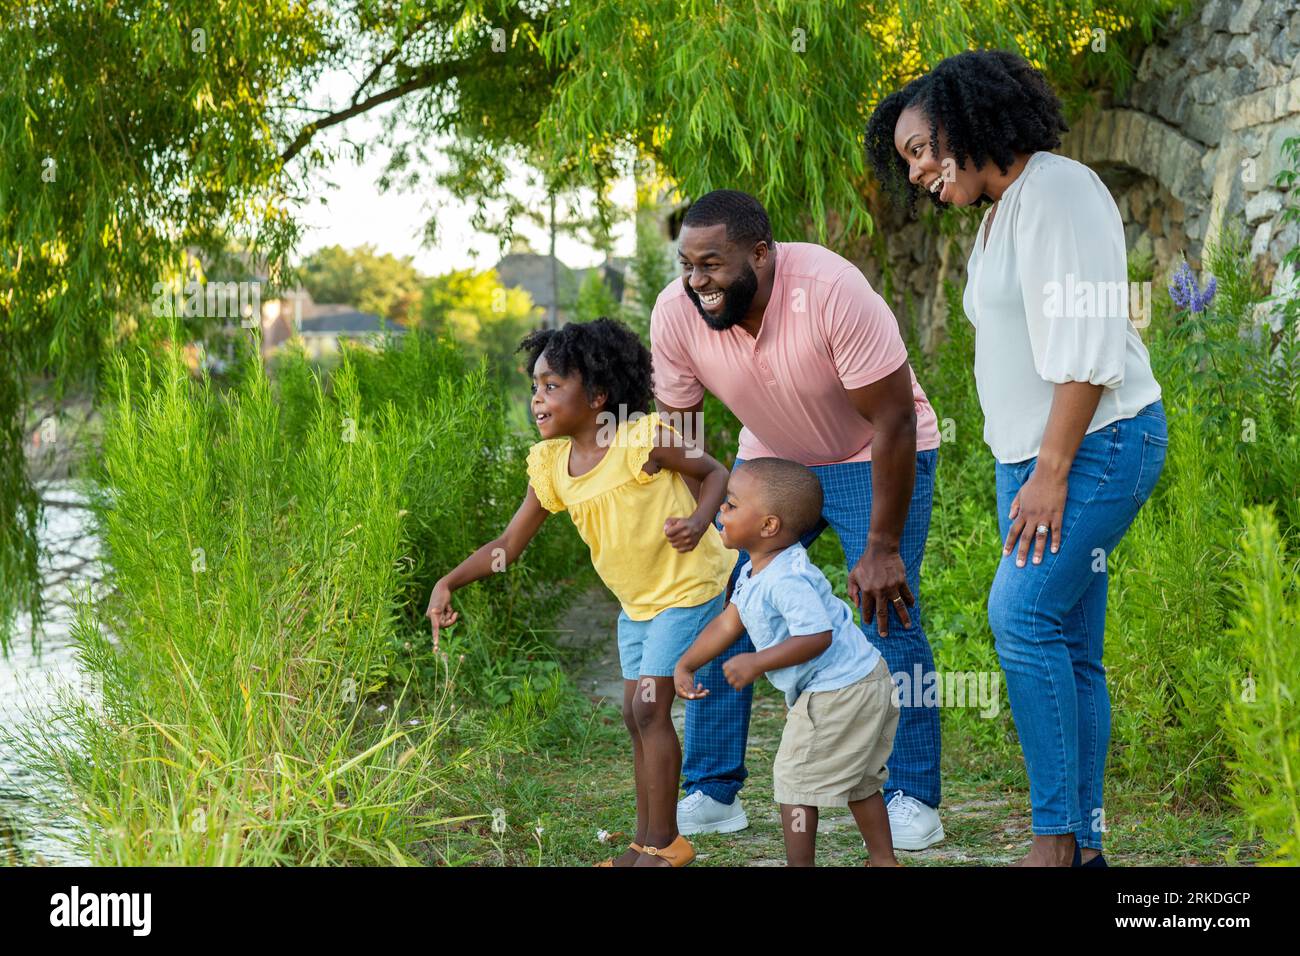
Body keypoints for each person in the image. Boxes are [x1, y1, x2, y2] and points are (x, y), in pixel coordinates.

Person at [866, 49, 1167, 867]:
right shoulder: (999, 212)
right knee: (1069, 648)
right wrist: (1026, 466)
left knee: (1020, 615)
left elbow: (1088, 350)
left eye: (924, 147)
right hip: (1033, 459)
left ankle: (1055, 839)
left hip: (1095, 446)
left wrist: (1051, 472)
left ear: (969, 119)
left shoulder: (1059, 192)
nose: (920, 172)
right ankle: (1088, 848)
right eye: (907, 162)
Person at [652, 189, 946, 851]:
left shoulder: (831, 289)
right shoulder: (677, 314)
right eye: (686, 264)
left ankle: (914, 796)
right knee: (734, 603)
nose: (697, 281)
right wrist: (699, 516)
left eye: (713, 264)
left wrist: (880, 546)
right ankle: (714, 790)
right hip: (775, 458)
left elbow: (895, 419)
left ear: (761, 253)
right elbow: (684, 433)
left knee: (885, 607)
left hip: (877, 450)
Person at [426, 317, 734, 867]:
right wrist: (448, 582)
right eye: (534, 388)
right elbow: (507, 544)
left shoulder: (642, 438)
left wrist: (698, 523)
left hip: (690, 586)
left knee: (649, 706)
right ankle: (645, 843)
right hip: (637, 604)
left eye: (551, 386)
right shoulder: (551, 466)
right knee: (633, 712)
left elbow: (715, 474)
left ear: (597, 395)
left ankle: (667, 846)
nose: (536, 401)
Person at [674, 457, 901, 867]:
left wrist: (757, 662)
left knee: (794, 783)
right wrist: (686, 663)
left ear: (768, 526)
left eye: (730, 505)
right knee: (862, 781)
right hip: (863, 678)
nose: (720, 513)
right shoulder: (757, 571)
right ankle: (883, 861)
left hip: (837, 691)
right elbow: (728, 624)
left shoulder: (786, 578)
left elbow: (816, 636)